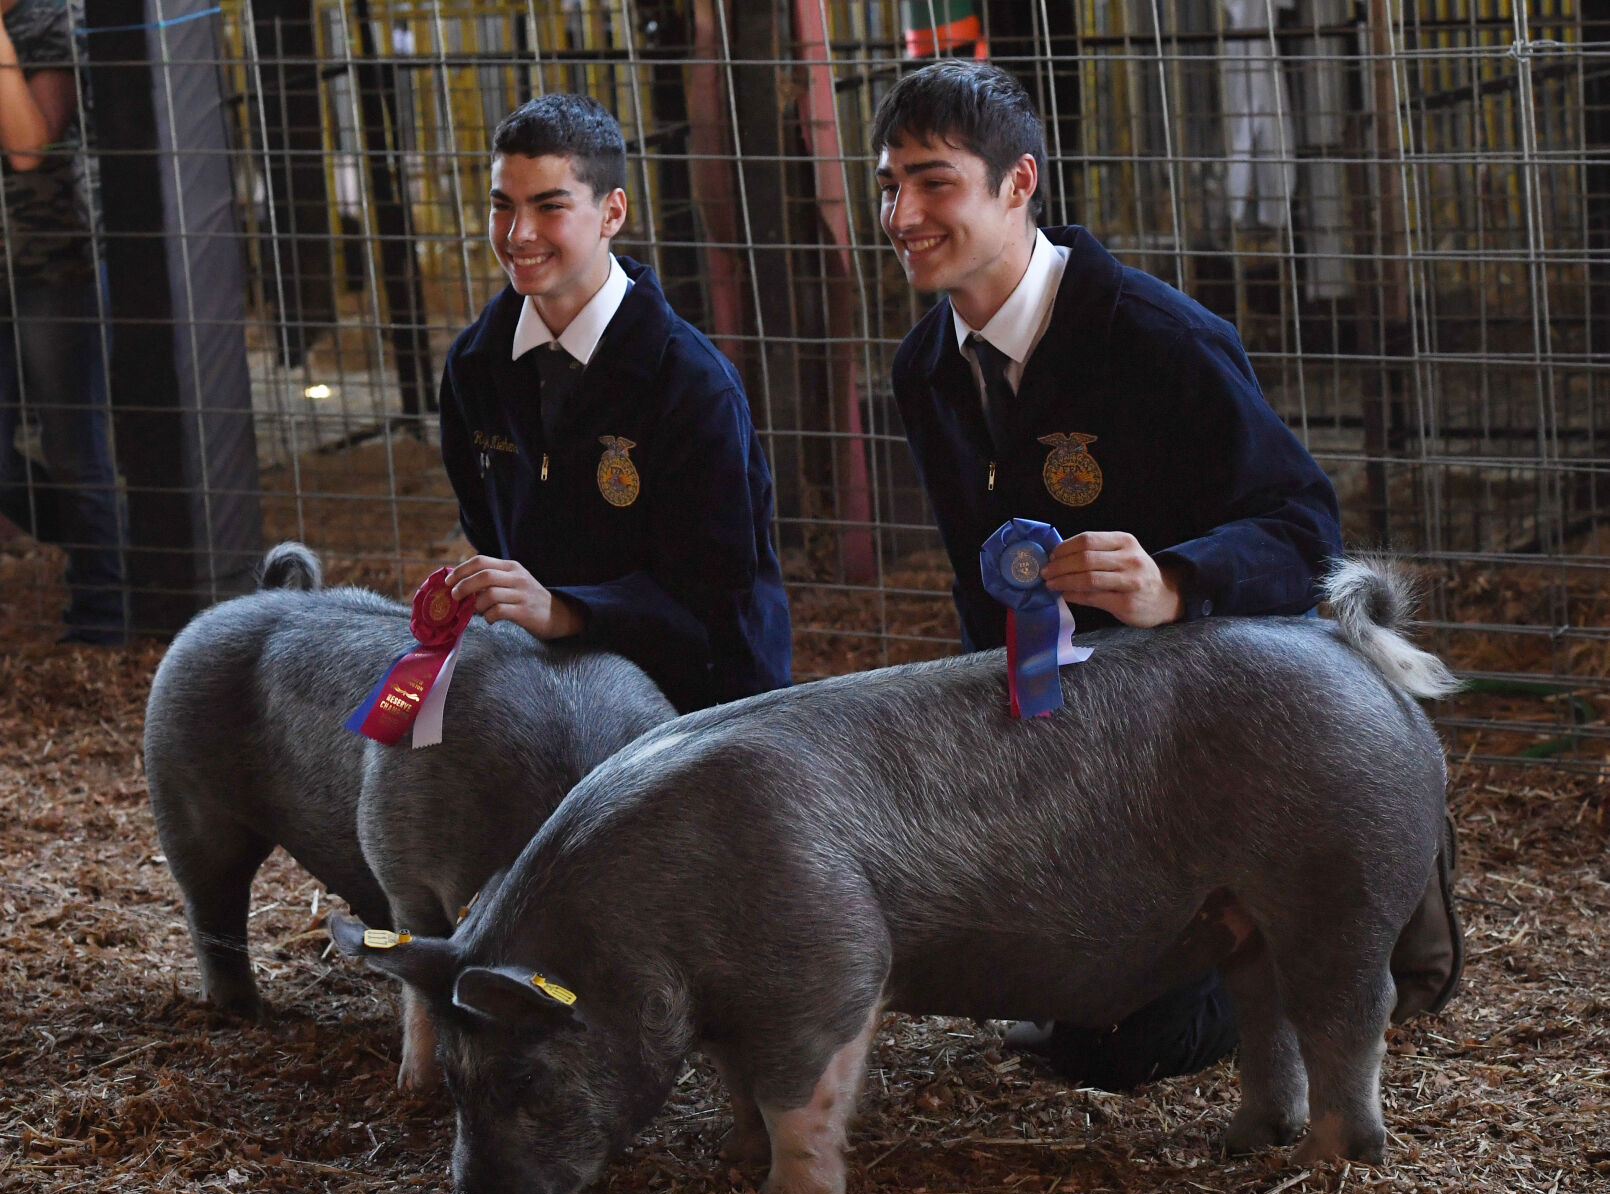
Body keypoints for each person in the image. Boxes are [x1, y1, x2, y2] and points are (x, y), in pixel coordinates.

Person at [872, 59, 1460, 1089]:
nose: (900, 212)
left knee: (1134, 1040)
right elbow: (985, 589)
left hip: (1206, 731)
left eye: (932, 182)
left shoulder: (1153, 336)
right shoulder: (923, 367)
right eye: (887, 185)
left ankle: (1352, 907)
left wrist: (1175, 582)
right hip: (1066, 740)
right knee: (1060, 997)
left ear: (1018, 183)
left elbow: (1302, 523)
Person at [438, 94, 790, 713]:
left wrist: (569, 611)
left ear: (612, 213)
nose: (519, 234)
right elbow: (483, 520)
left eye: (550, 207)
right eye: (503, 206)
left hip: (702, 711)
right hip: (550, 697)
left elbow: (716, 601)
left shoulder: (693, 385)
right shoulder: (473, 364)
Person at [0, 0, 123, 644]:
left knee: (74, 447)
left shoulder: (53, 18)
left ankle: (102, 616)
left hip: (56, 265)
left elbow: (27, 145)